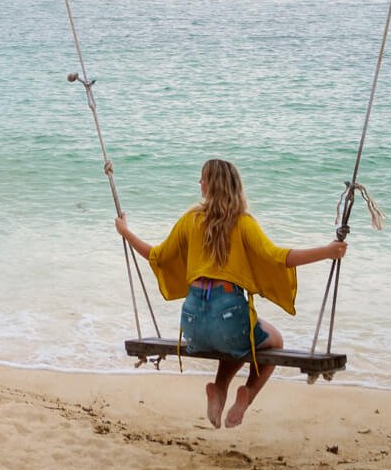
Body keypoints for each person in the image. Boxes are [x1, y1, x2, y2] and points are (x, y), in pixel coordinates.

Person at [114, 158, 347, 428]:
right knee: (272, 339)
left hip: (192, 324)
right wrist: (327, 252)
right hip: (229, 316)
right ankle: (246, 394)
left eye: (202, 179)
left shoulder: (190, 220)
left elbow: (156, 255)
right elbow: (279, 257)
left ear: (211, 185)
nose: (199, 183)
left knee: (232, 342)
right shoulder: (243, 222)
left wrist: (125, 232)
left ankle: (220, 389)